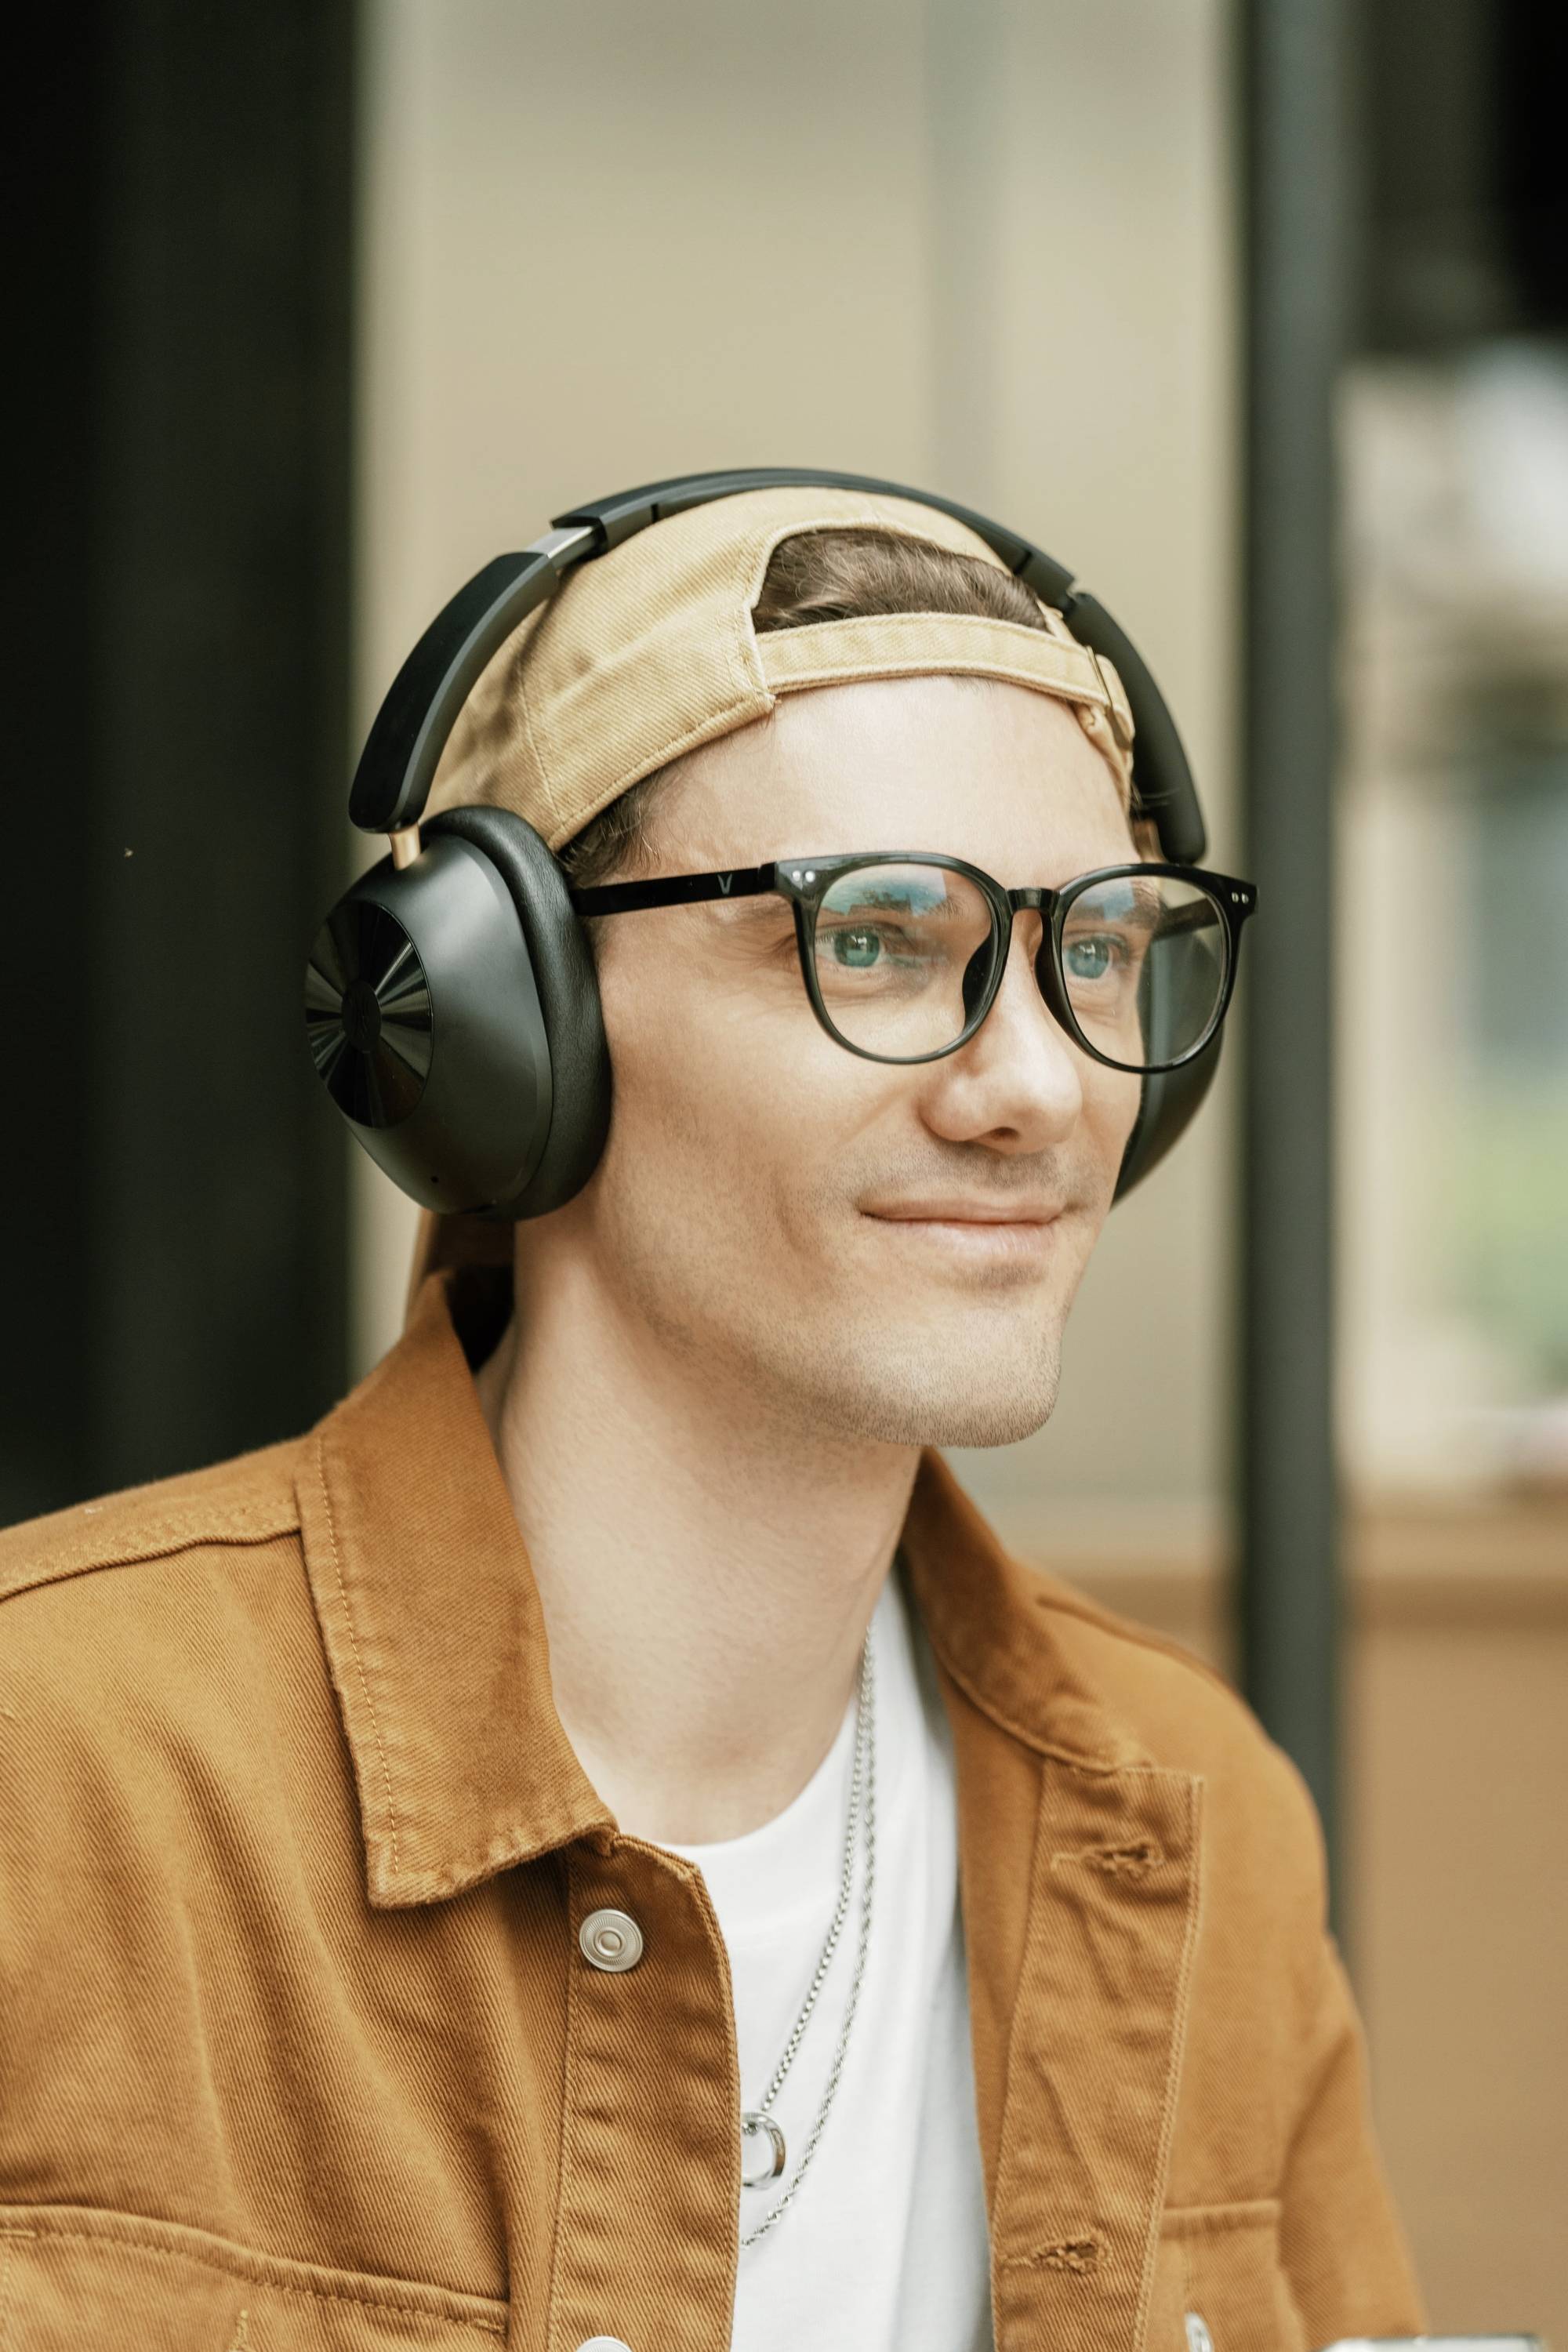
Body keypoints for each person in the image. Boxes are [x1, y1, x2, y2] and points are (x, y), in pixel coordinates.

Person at [0, 485, 1424, 2352]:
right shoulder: (55, 1768)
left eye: (1093, 952)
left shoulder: (1195, 1813)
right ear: (503, 1032)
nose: (1035, 1085)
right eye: (881, 940)